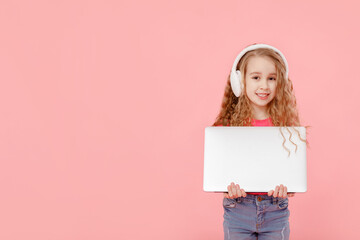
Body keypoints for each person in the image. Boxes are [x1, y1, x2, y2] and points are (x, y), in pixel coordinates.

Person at [212, 43, 309, 239]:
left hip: (276, 211)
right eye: (256, 77)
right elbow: (218, 175)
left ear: (280, 83)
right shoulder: (227, 128)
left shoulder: (286, 128)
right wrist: (227, 188)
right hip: (238, 210)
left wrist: (287, 188)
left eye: (271, 78)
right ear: (239, 81)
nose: (264, 85)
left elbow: (291, 175)